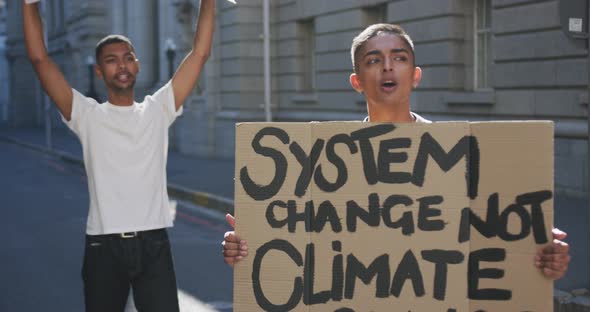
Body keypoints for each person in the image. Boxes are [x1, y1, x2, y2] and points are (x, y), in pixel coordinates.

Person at [222, 23, 571, 280]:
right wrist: (249, 248)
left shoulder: (461, 154)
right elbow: (301, 250)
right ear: (357, 80)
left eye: (398, 58)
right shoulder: (324, 162)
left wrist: (540, 254)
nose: (388, 67)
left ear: (414, 75)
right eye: (374, 60)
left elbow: (494, 237)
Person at [22, 0, 214, 310]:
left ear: (137, 65)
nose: (121, 66)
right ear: (99, 71)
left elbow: (200, 53)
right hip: (103, 247)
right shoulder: (86, 114)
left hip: (154, 245)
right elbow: (39, 58)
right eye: (111, 60)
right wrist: (30, 5)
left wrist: (208, 2)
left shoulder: (158, 108)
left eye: (127, 58)